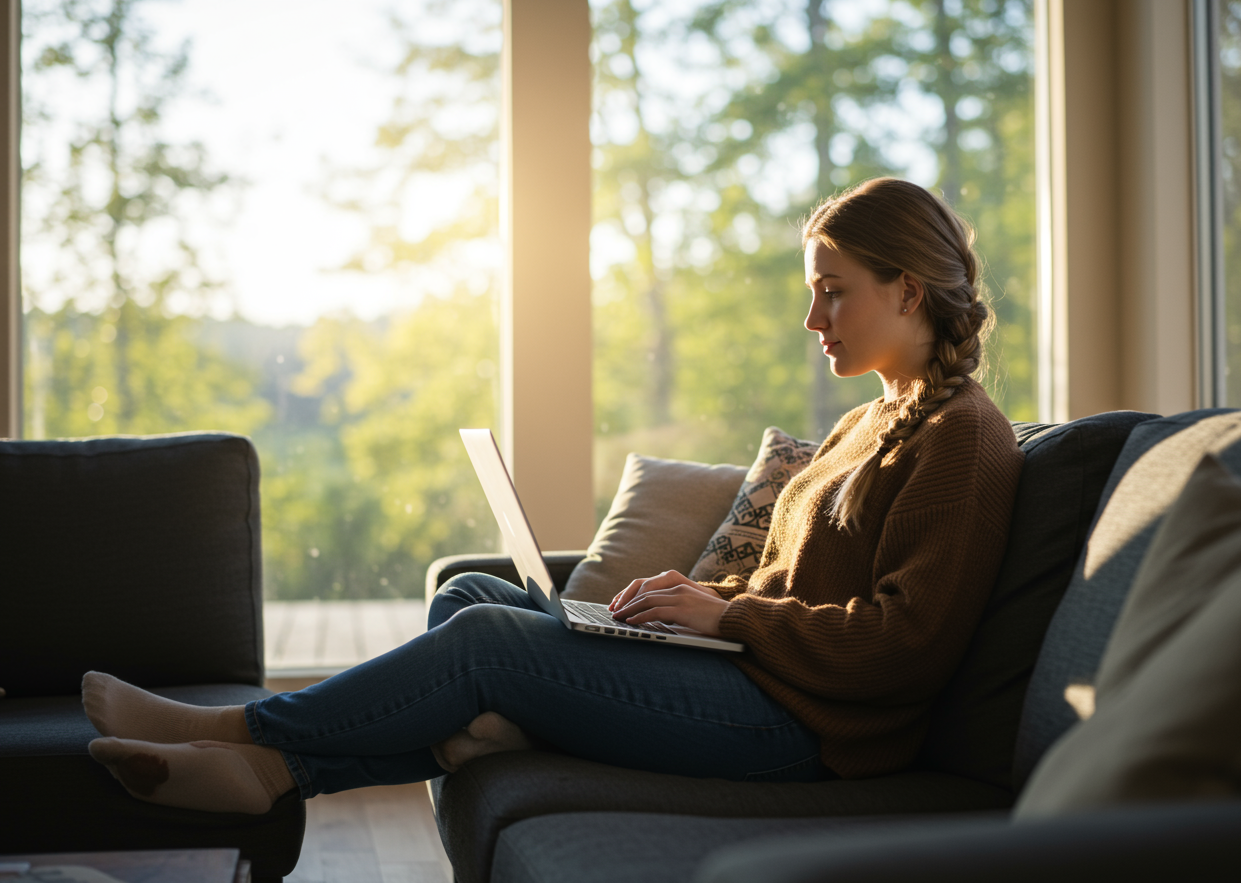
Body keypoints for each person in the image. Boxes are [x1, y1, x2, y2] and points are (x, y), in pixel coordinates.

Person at [82, 177, 1024, 815]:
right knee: (472, 599)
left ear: (906, 291)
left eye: (833, 291)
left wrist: (728, 621)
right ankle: (270, 772)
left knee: (489, 647)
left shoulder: (963, 441)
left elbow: (904, 647)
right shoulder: (871, 420)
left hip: (804, 731)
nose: (812, 317)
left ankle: (240, 734)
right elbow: (791, 590)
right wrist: (697, 606)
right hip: (750, 678)